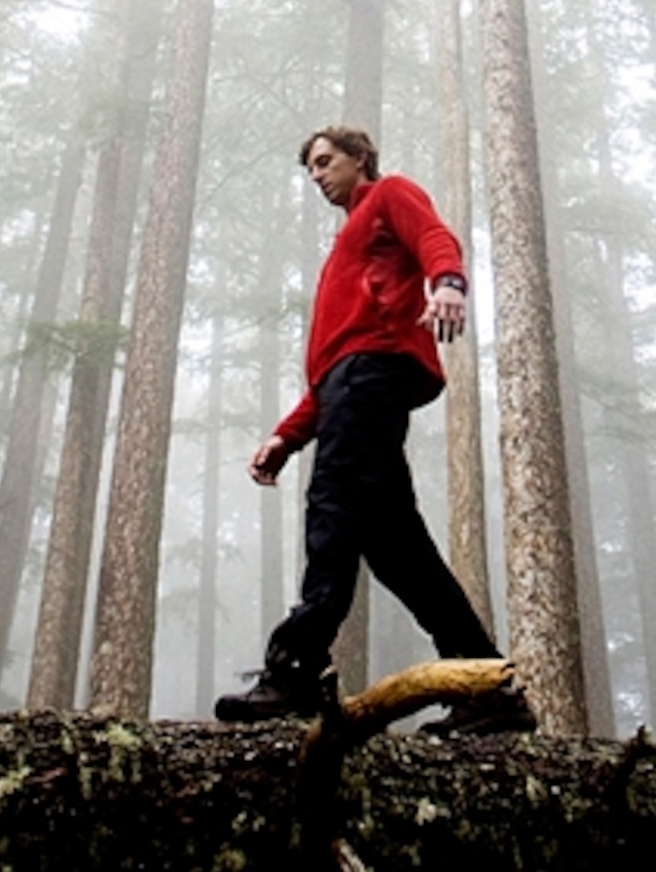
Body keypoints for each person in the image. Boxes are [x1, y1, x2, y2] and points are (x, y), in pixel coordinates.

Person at [213, 125, 535, 734]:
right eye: (309, 168)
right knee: (401, 554)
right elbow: (330, 364)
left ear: (360, 158)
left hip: (372, 375)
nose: (317, 175)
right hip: (347, 386)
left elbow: (435, 237)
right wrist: (287, 435)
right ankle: (490, 689)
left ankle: (296, 670)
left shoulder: (390, 196)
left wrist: (448, 284)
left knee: (333, 506)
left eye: (325, 161)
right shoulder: (343, 249)